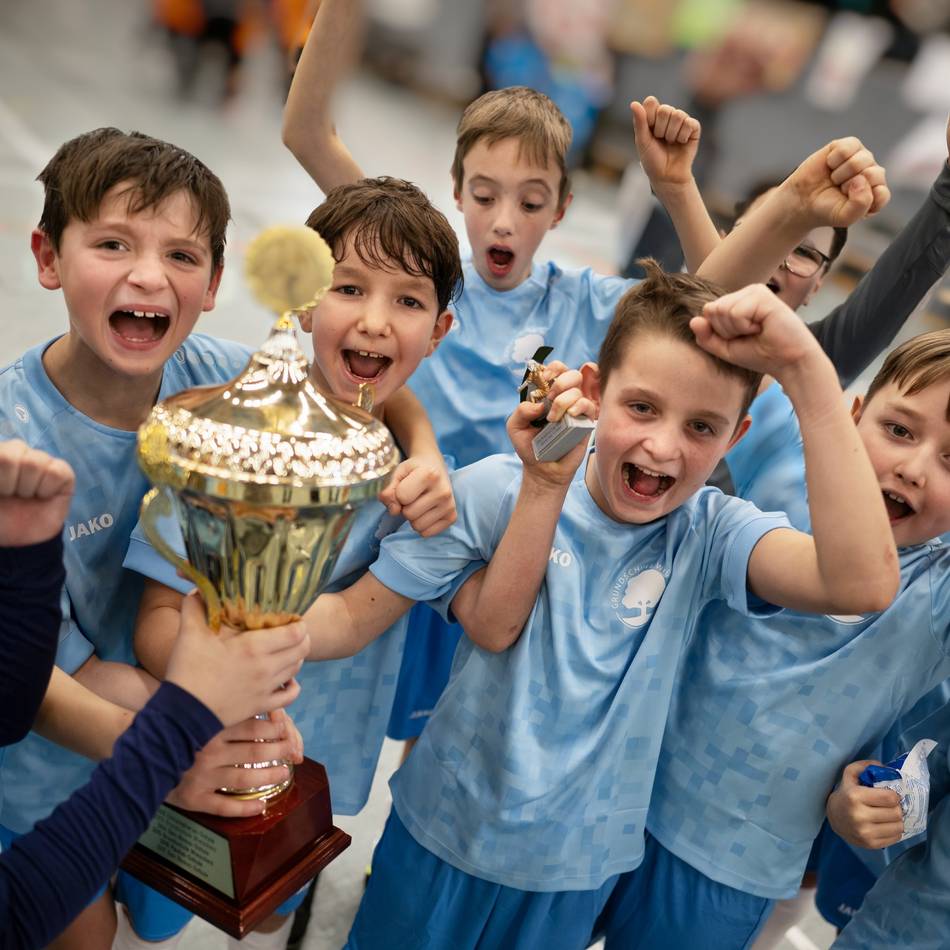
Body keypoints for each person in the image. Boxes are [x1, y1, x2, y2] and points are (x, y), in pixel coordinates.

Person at [282, 0, 890, 758]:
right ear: (457, 189)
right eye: (484, 194)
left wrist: (789, 210)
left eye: (530, 201)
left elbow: (703, 291)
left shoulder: (584, 302)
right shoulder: (416, 280)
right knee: (318, 742)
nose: (504, 220)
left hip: (507, 566)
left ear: (562, 206)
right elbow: (307, 132)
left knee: (444, 744)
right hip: (397, 550)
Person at [282, 266, 897, 948]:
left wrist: (808, 372)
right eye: (642, 407)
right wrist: (240, 635)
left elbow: (862, 585)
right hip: (442, 837)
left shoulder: (712, 534)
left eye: (702, 427)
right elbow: (416, 621)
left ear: (736, 436)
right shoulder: (493, 491)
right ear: (596, 391)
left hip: (576, 873)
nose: (663, 446)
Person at [0, 128, 445, 950]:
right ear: (47, 256)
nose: (146, 274)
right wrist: (176, 743)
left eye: (180, 255)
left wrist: (425, 451)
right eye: (112, 243)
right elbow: (27, 686)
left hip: (177, 722)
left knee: (202, 908)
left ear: (211, 285)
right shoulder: (10, 437)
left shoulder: (219, 373)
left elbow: (350, 390)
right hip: (47, 764)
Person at [126, 175, 466, 948]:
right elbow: (152, 619)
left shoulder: (423, 494)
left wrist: (425, 448)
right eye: (349, 287)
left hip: (312, 766)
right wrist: (210, 671)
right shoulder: (221, 436)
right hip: (184, 751)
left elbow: (351, 620)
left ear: (441, 328)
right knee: (149, 917)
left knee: (266, 914)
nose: (375, 321)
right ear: (306, 299)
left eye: (408, 302)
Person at [586, 327, 950, 948]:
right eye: (899, 430)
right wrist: (790, 223)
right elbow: (705, 310)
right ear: (850, 417)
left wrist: (876, 804)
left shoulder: (938, 593)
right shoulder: (788, 452)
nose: (912, 468)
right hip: (599, 791)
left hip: (730, 865)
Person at [0, 439, 310, 950]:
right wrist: (175, 733)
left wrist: (29, 567)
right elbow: (19, 912)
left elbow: (14, 699)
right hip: (65, 802)